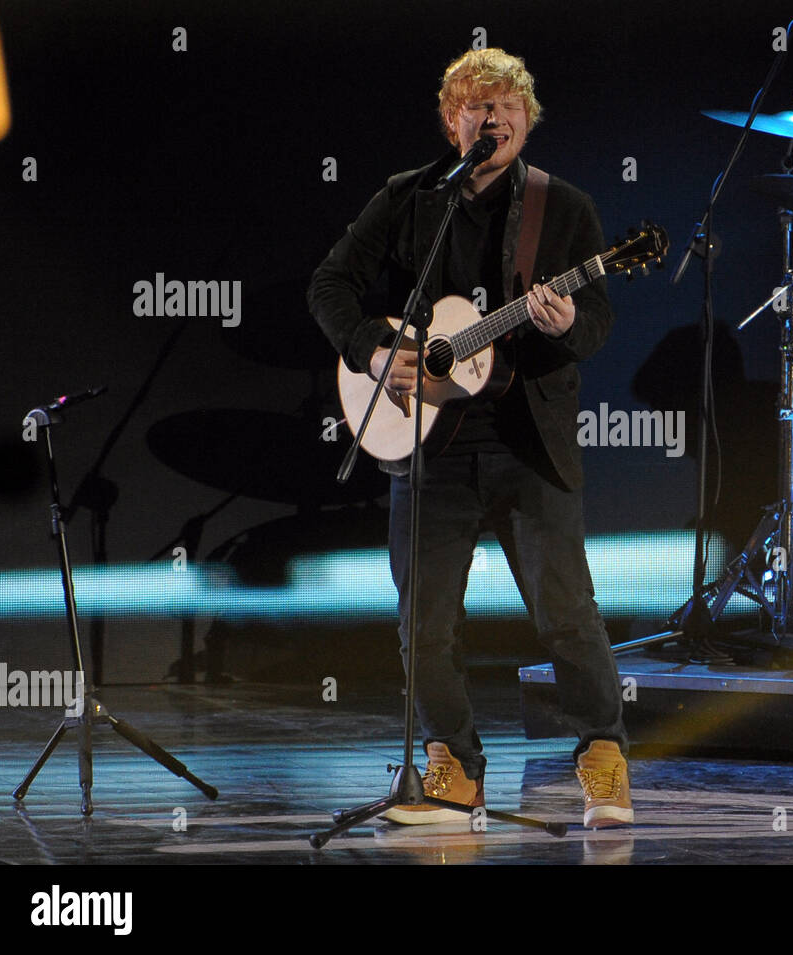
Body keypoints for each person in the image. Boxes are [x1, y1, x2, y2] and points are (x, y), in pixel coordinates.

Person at [307, 48, 632, 829]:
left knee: (565, 611)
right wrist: (377, 351)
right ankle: (452, 763)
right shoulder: (413, 198)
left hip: (529, 442)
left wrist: (562, 324)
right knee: (422, 622)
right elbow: (330, 285)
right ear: (454, 123)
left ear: (527, 118)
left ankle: (604, 755)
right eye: (480, 108)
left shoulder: (567, 208)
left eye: (510, 107)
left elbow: (597, 324)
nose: (497, 119)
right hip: (429, 446)